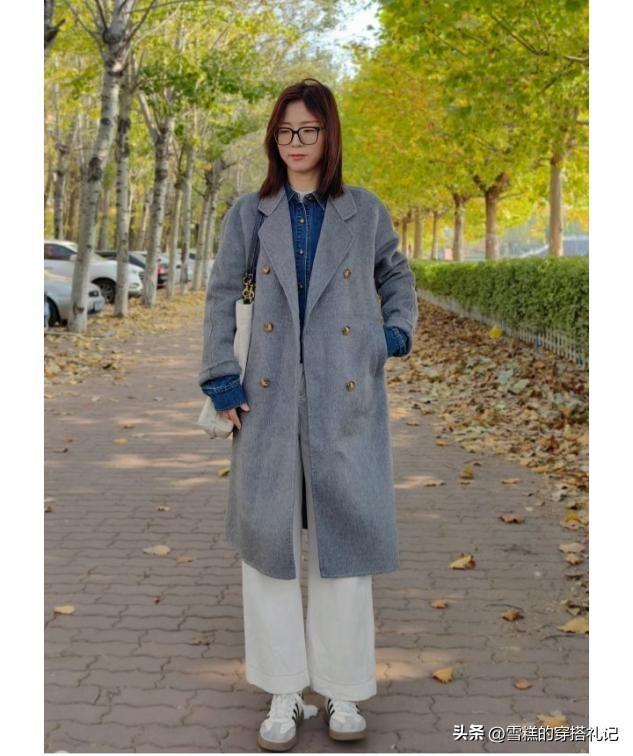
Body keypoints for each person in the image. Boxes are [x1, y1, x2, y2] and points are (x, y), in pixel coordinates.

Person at [198, 78, 418, 751]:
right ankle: (283, 689)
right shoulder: (249, 212)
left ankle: (343, 690)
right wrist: (220, 377)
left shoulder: (363, 209)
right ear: (274, 137)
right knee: (267, 551)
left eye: (308, 130)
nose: (295, 142)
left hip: (343, 394)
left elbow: (395, 274)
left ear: (329, 135)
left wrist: (391, 335)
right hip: (264, 399)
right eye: (285, 130)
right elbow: (219, 294)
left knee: (341, 548)